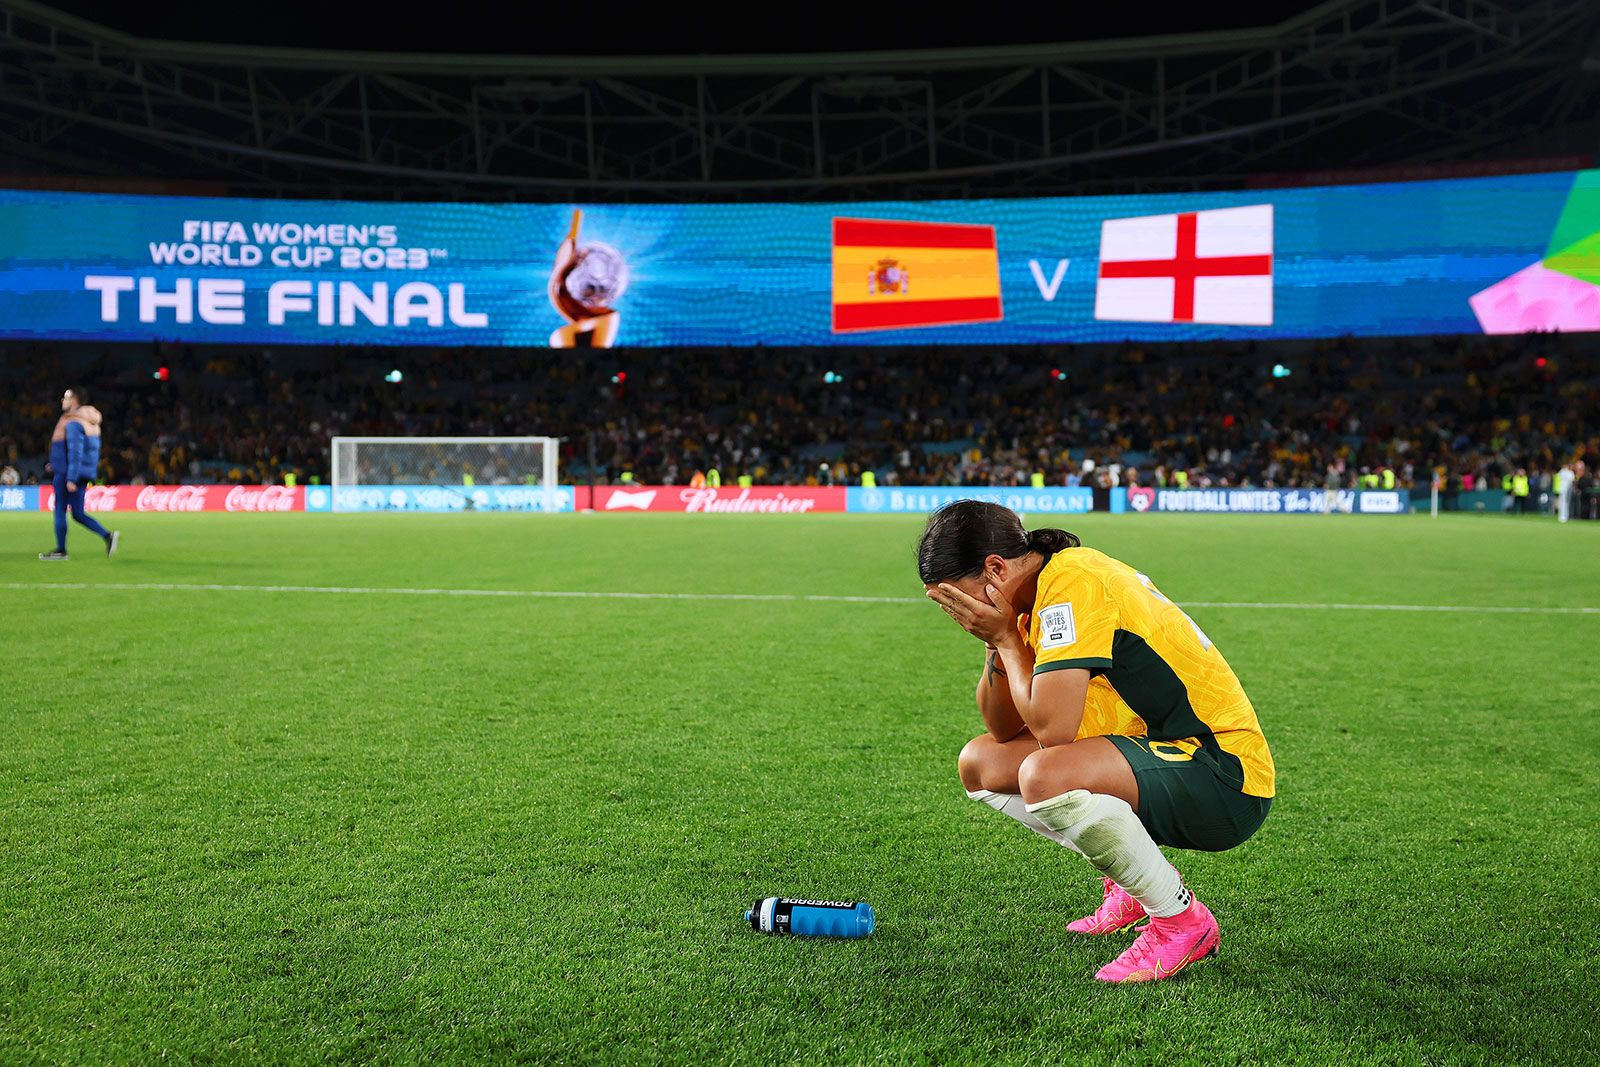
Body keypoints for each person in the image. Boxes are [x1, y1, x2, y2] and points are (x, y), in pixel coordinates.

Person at [920, 501, 1273, 983]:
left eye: (960, 599)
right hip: (1159, 752)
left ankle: (1180, 921)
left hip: (1224, 771)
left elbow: (1052, 730)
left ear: (995, 569)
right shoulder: (1032, 597)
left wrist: (1005, 638)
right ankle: (1133, 880)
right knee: (981, 763)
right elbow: (1003, 729)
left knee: (1044, 775)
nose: (961, 613)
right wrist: (996, 640)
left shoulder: (1072, 583)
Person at [39, 387, 119, 561]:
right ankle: (107, 536)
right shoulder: (88, 420)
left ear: (74, 399)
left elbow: (76, 451)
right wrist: (56, 463)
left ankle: (61, 551)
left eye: (66, 397)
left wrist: (71, 477)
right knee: (78, 513)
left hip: (69, 474)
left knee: (60, 509)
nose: (62, 400)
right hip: (77, 471)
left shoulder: (74, 422)